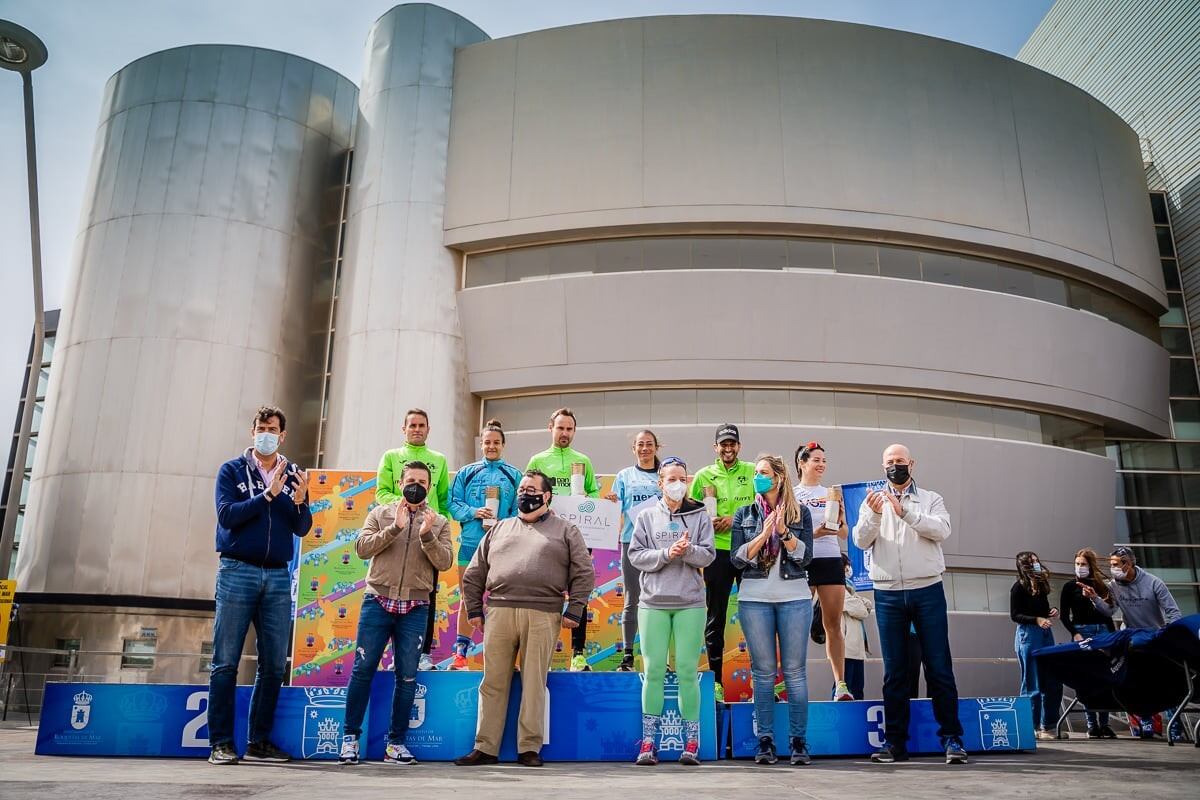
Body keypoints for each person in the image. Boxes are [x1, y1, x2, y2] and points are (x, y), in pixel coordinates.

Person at [454, 470, 595, 767]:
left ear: (546, 496)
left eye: (531, 489)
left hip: (544, 614)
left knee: (534, 683)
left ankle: (529, 748)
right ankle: (485, 747)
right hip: (499, 613)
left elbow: (584, 572)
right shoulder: (499, 528)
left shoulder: (566, 530)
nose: (524, 494)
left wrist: (575, 610)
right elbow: (474, 574)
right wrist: (474, 610)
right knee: (492, 682)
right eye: (521, 489)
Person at [208, 406, 312, 765]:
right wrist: (268, 495)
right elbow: (227, 516)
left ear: (283, 435)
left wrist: (299, 503)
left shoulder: (294, 472)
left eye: (273, 429)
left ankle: (259, 740)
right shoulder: (232, 470)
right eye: (261, 428)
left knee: (272, 665)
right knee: (225, 662)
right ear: (252, 432)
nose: (266, 433)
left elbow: (301, 528)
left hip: (278, 575)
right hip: (237, 570)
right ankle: (220, 742)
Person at [852, 443, 967, 765]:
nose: (894, 466)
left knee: (939, 667)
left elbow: (941, 530)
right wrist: (876, 515)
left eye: (900, 461)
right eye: (889, 462)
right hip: (887, 593)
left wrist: (905, 512)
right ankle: (895, 743)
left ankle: (952, 739)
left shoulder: (931, 499)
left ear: (911, 464)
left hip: (927, 589)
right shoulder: (871, 500)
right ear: (882, 465)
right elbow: (860, 540)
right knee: (896, 673)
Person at [339, 461, 453, 765]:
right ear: (400, 483)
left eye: (422, 481)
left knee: (407, 677)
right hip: (378, 602)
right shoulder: (380, 513)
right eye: (410, 480)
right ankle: (350, 738)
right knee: (362, 671)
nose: (416, 485)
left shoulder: (439, 521)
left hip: (415, 608)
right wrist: (396, 528)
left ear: (429, 487)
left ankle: (395, 744)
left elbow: (445, 562)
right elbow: (362, 548)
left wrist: (427, 535)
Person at [628, 456, 715, 766]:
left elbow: (708, 556)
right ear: (660, 483)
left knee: (687, 672)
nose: (677, 484)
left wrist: (687, 550)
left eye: (682, 478)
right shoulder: (646, 516)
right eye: (671, 479)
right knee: (652, 671)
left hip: (690, 603)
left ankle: (691, 743)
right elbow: (636, 555)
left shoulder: (700, 515)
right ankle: (648, 743)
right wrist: (667, 553)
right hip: (653, 603)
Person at [731, 454, 815, 766]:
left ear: (779, 478)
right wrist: (763, 535)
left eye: (763, 473)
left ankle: (798, 741)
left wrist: (784, 533)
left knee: (794, 672)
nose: (758, 477)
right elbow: (737, 560)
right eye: (755, 473)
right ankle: (765, 740)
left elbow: (806, 559)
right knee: (763, 674)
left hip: (795, 598)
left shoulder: (800, 513)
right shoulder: (744, 513)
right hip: (754, 599)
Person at [1083, 545, 1184, 740]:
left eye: (1115, 565)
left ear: (1127, 564)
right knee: (1136, 683)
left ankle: (1175, 730)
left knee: (1166, 684)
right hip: (1131, 640)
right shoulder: (1114, 585)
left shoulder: (1154, 583)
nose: (1112, 569)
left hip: (1155, 638)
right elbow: (1109, 612)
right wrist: (1094, 598)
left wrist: (1167, 634)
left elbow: (1174, 612)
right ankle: (1145, 723)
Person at [525, 407, 600, 671]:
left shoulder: (584, 460)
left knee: (579, 590)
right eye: (560, 428)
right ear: (551, 428)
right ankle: (537, 652)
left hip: (578, 535)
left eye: (569, 429)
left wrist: (589, 500)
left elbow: (593, 493)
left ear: (574, 431)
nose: (564, 433)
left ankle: (578, 654)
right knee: (545, 591)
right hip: (545, 534)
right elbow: (527, 493)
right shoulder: (537, 460)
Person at [376, 409, 450, 671]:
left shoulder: (439, 460)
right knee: (391, 596)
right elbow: (381, 492)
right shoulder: (391, 457)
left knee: (427, 594)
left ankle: (424, 653)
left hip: (428, 532)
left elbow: (444, 499)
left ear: (428, 429)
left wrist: (436, 525)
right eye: (412, 425)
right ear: (403, 429)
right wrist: (404, 506)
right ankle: (397, 654)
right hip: (398, 531)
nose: (417, 429)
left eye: (421, 425)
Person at [688, 423, 756, 701]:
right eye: (723, 444)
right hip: (716, 552)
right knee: (715, 617)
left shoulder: (752, 471)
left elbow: (764, 505)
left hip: (750, 550)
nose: (728, 448)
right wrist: (708, 520)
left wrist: (736, 519)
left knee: (756, 616)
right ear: (715, 447)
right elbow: (689, 513)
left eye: (732, 444)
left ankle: (761, 683)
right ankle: (716, 682)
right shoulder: (704, 475)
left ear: (739, 446)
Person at [447, 420, 522, 670]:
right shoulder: (466, 472)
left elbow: (519, 511)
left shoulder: (514, 474)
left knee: (502, 602)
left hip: (501, 546)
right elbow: (453, 504)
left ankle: (504, 658)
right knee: (469, 599)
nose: (491, 446)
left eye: (496, 443)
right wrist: (473, 512)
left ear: (503, 445)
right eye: (487, 442)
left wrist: (503, 522)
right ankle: (460, 656)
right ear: (481, 444)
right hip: (470, 544)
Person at [793, 441, 853, 701]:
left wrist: (838, 523)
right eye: (816, 460)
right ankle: (790, 685)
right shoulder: (791, 494)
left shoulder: (831, 493)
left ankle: (841, 685)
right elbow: (790, 533)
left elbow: (843, 533)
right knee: (794, 625)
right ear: (802, 463)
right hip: (802, 559)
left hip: (830, 558)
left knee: (833, 624)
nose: (821, 465)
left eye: (823, 461)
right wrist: (814, 533)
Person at [608, 430, 663, 672]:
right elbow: (614, 509)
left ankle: (659, 656)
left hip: (661, 543)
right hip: (631, 542)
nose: (645, 449)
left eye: (649, 444)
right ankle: (628, 655)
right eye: (640, 445)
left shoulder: (664, 474)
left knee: (661, 599)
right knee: (633, 598)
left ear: (656, 447)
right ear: (634, 449)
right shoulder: (624, 476)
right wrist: (610, 502)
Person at [1059, 547, 1116, 738]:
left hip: (1103, 631)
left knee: (1104, 677)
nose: (1080, 567)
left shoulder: (1102, 585)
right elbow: (1065, 615)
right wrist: (1074, 633)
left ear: (1090, 566)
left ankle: (1105, 724)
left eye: (1083, 564)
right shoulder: (1070, 587)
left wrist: (1112, 636)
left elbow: (1108, 613)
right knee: (1085, 678)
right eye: (1077, 564)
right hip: (1082, 631)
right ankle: (1091, 724)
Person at [1009, 551, 1064, 740]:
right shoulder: (1018, 588)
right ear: (1024, 566)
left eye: (1037, 561)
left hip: (1045, 632)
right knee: (1032, 682)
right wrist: (1037, 620)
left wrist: (1050, 612)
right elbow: (1015, 615)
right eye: (1032, 562)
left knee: (1051, 680)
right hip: (1029, 634)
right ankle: (1029, 727)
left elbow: (1042, 609)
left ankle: (1048, 726)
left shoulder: (1041, 586)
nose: (1036, 564)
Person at [839, 554, 873, 701]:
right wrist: (861, 603)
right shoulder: (837, 588)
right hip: (845, 648)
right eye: (847, 565)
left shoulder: (850, 589)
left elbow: (866, 604)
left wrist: (860, 603)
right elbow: (861, 609)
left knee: (858, 690)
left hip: (857, 648)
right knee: (843, 687)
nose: (849, 569)